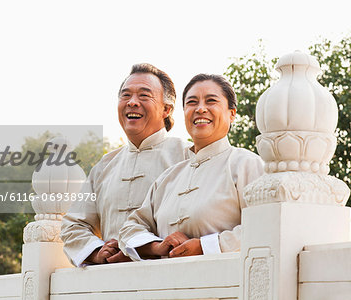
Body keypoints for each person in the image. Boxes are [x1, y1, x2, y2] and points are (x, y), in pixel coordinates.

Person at [118, 74, 264, 260]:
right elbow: (130, 228)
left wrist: (206, 246)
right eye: (192, 103)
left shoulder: (245, 164)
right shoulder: (168, 177)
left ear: (232, 113)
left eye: (211, 101)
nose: (201, 109)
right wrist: (156, 247)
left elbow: (264, 224)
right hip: (167, 286)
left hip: (225, 285)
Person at [60, 64, 191, 266]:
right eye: (126, 95)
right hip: (112, 284)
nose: (132, 102)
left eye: (144, 96)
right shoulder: (104, 166)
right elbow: (73, 225)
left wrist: (147, 248)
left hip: (170, 279)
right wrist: (97, 252)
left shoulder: (188, 157)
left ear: (166, 109)